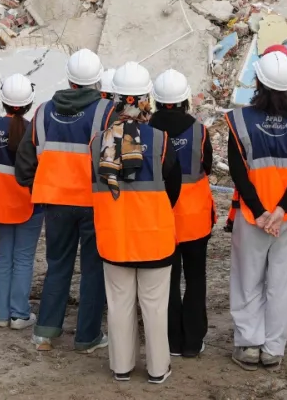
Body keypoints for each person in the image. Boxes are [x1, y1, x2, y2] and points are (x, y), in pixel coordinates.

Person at [15, 48, 115, 352]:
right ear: (98, 81)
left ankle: (45, 332)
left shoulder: (44, 111)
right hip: (93, 203)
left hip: (55, 202)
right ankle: (87, 337)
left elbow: (25, 159)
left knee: (57, 265)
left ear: (69, 81)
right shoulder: (106, 112)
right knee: (93, 268)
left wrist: (40, 185)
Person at [226, 51, 287, 371]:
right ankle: (273, 349)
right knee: (283, 283)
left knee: (247, 279)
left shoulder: (239, 120)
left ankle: (249, 346)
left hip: (252, 217)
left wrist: (260, 211)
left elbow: (237, 172)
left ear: (258, 83)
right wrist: (280, 210)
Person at [91, 62, 181, 384]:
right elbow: (174, 187)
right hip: (154, 238)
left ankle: (121, 367)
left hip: (114, 239)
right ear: (146, 99)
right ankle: (158, 369)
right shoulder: (161, 141)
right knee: (155, 307)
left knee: (118, 305)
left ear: (116, 99)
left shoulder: (97, 144)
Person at [151, 69, 213, 358]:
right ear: (185, 99)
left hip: (162, 218)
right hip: (196, 219)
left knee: (169, 280)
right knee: (196, 278)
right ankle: (193, 340)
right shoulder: (199, 130)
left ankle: (171, 340)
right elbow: (208, 166)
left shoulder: (147, 130)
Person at [0, 74, 43, 331]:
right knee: (24, 258)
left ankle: (2, 314)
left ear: (3, 101)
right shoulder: (32, 132)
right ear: (29, 103)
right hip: (27, 204)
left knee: (4, 256)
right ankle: (19, 314)